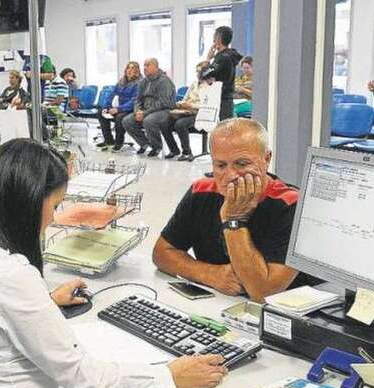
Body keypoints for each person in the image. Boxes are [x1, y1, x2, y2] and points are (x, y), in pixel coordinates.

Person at [0, 138, 227, 388]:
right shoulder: (10, 274)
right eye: (55, 205)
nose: (54, 217)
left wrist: (43, 303)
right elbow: (80, 374)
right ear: (28, 202)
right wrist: (169, 375)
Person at [153, 118, 303, 302]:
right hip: (217, 306)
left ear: (266, 159)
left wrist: (234, 220)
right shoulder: (202, 190)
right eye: (221, 165)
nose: (231, 175)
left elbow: (263, 294)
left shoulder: (292, 205)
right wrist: (210, 274)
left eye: (242, 164)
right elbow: (161, 253)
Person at [122, 57, 176, 157]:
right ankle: (145, 143)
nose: (145, 68)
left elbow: (163, 103)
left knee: (149, 120)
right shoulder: (143, 81)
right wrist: (137, 111)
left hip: (165, 110)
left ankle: (157, 147)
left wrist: (145, 113)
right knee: (127, 120)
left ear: (156, 67)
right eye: (144, 65)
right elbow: (138, 99)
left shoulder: (164, 81)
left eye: (148, 65)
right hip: (146, 110)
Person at [162, 62, 212, 161]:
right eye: (196, 71)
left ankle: (186, 152)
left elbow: (208, 106)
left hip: (200, 113)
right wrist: (181, 104)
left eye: (200, 71)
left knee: (180, 124)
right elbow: (185, 98)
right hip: (186, 110)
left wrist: (191, 105)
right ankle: (174, 150)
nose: (198, 74)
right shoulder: (194, 83)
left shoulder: (211, 86)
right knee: (164, 123)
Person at [97, 61, 141, 152]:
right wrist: (107, 107)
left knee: (119, 117)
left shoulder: (139, 83)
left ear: (137, 71)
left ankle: (118, 142)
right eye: (128, 68)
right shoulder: (121, 81)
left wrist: (118, 109)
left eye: (132, 68)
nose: (129, 70)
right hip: (117, 107)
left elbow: (134, 101)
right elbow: (112, 95)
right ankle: (108, 140)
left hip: (130, 109)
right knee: (101, 112)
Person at [203, 26, 243, 121]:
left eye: (214, 37)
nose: (213, 40)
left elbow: (204, 74)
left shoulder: (222, 58)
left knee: (223, 131)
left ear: (218, 39)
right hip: (225, 98)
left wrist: (208, 59)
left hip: (222, 99)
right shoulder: (230, 55)